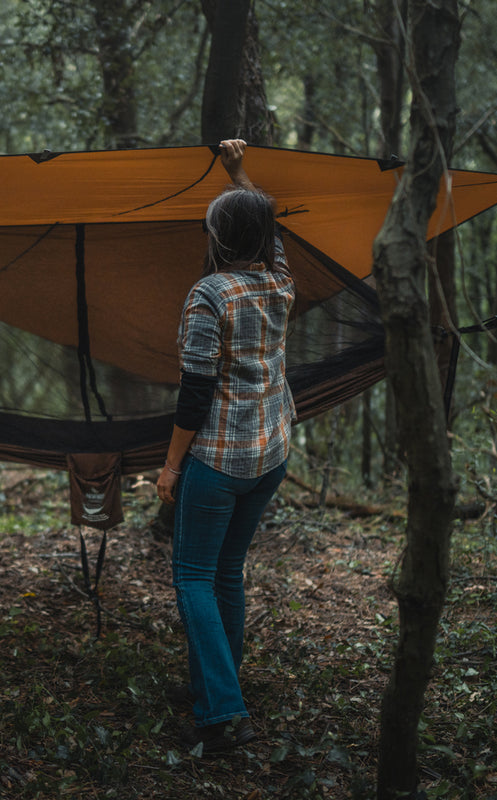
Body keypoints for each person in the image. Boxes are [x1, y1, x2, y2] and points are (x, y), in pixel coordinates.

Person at [156, 138, 295, 754]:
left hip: (216, 461)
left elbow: (195, 392)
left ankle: (219, 713)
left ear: (219, 237)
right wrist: (239, 173)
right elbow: (273, 233)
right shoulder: (280, 283)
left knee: (192, 579)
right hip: (271, 456)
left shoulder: (209, 294)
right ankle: (219, 688)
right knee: (226, 576)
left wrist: (169, 466)